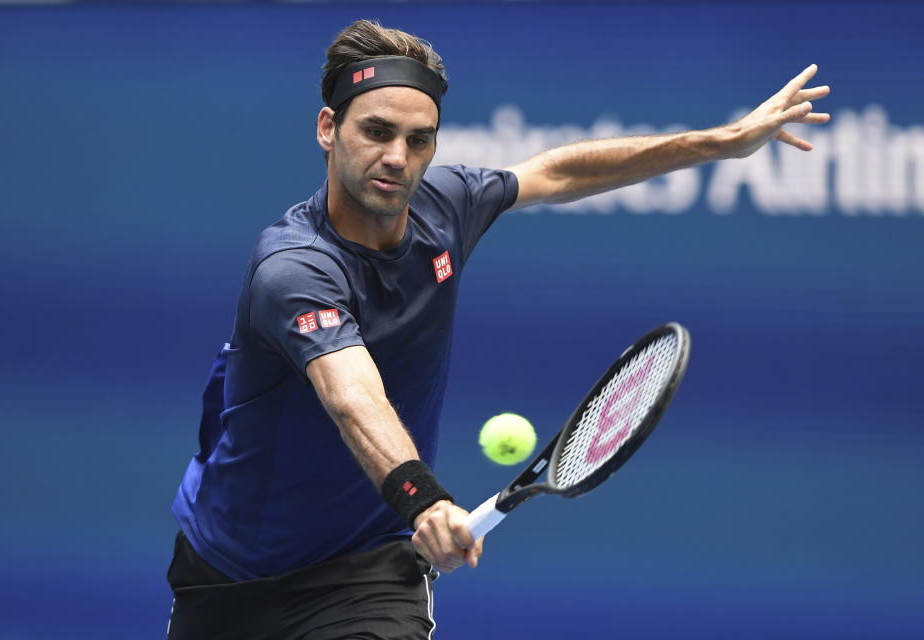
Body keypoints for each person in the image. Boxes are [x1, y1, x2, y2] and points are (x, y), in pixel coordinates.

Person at [166, 18, 830, 639]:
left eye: (419, 139)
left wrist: (720, 142)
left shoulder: (445, 206)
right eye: (376, 132)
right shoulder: (295, 268)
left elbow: (559, 170)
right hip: (227, 573)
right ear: (327, 129)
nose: (398, 156)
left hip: (367, 568)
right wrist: (424, 500)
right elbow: (351, 396)